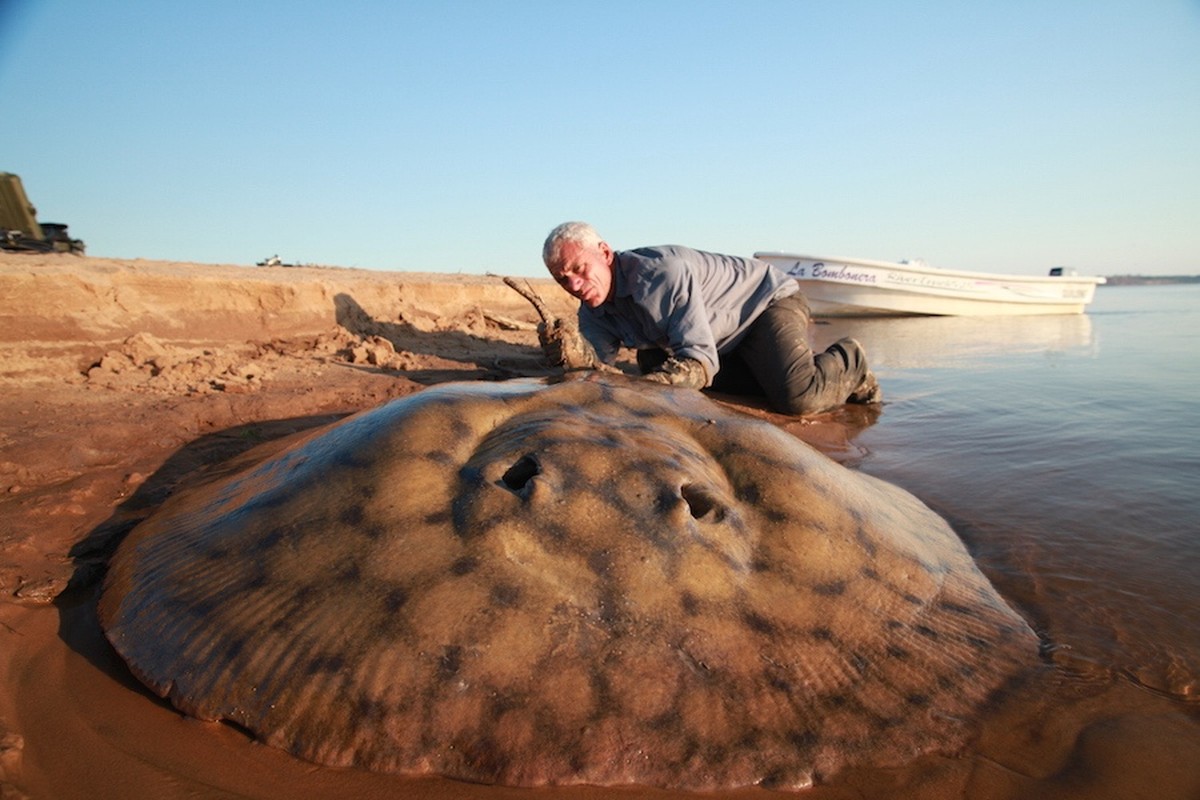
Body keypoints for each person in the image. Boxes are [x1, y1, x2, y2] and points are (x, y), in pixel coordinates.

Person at [538, 221, 880, 415]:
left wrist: (650, 388)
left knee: (797, 398)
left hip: (765, 303)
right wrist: (572, 356)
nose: (575, 285)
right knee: (651, 360)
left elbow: (698, 363)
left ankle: (851, 360)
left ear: (605, 253)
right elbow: (595, 372)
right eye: (563, 279)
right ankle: (773, 367)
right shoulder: (592, 308)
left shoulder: (660, 275)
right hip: (717, 332)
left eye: (580, 269)